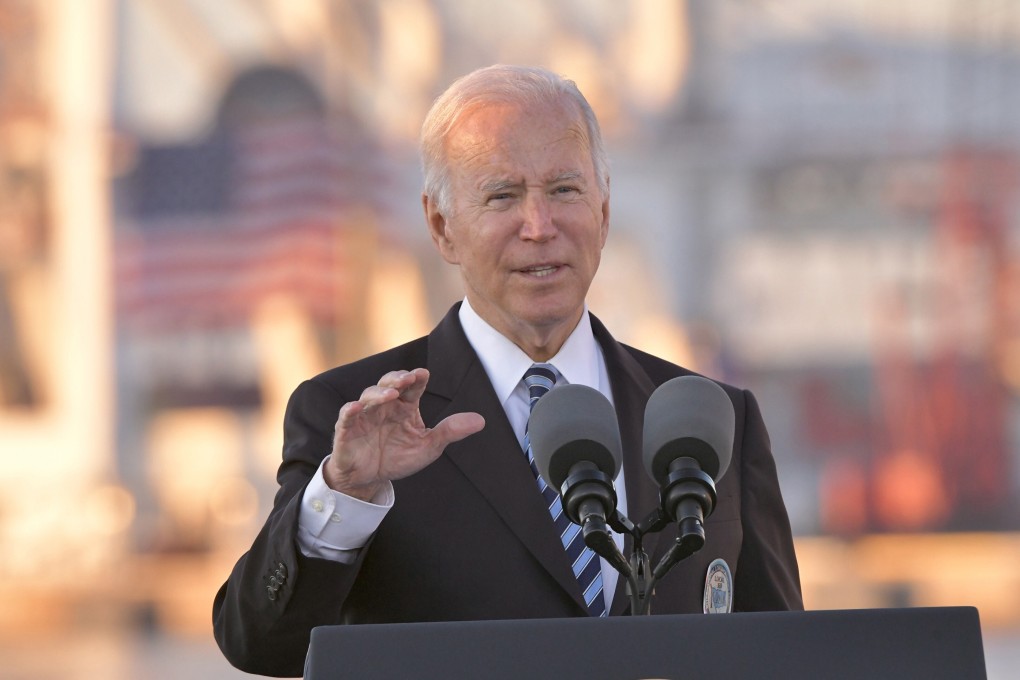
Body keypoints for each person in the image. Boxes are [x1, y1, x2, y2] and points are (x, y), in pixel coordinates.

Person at [212, 64, 802, 677]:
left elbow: (784, 654)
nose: (539, 227)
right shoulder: (352, 418)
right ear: (442, 227)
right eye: (502, 196)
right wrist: (345, 495)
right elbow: (262, 646)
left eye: (565, 191)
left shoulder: (711, 417)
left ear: (604, 209)